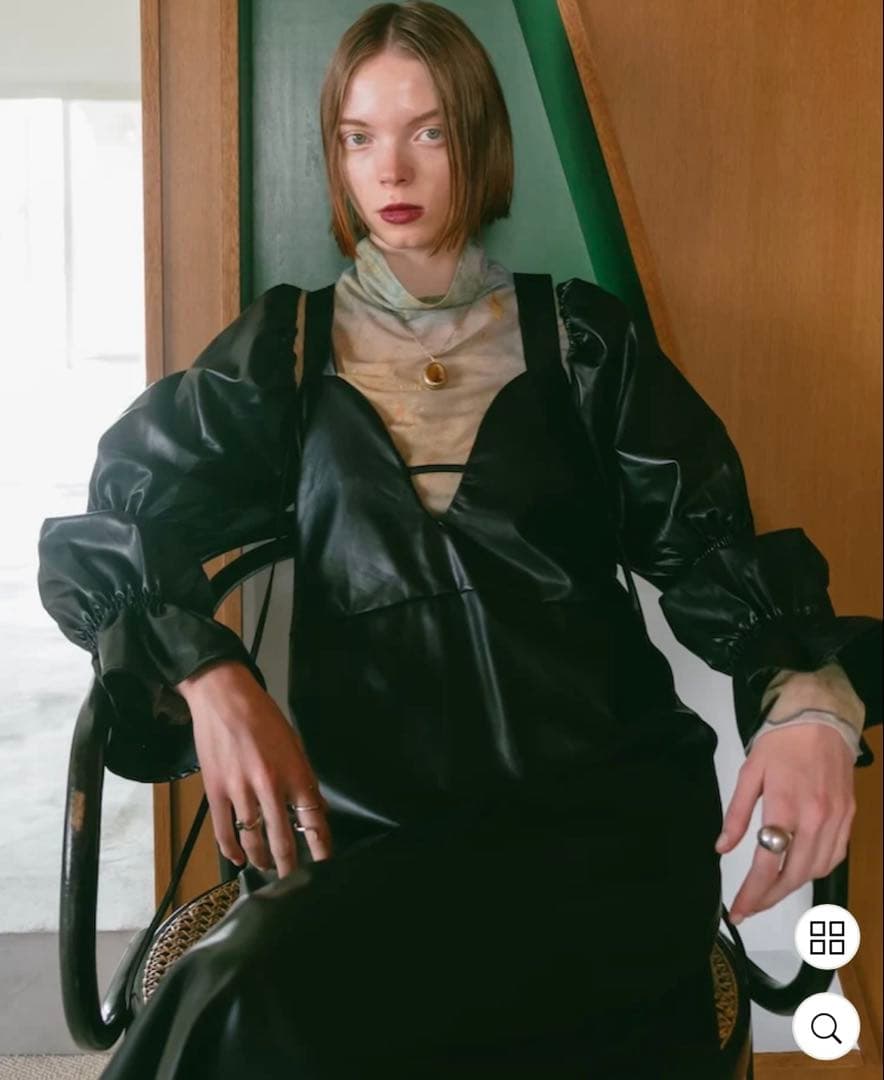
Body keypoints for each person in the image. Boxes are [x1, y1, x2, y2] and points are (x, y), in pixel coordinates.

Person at [38, 3, 880, 1077]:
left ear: (477, 138)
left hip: (599, 823)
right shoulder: (280, 356)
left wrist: (809, 705)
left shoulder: (581, 341)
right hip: (363, 833)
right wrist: (210, 672)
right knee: (233, 1002)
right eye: (359, 136)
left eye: (427, 131)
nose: (390, 168)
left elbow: (717, 554)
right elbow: (112, 530)